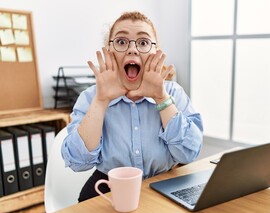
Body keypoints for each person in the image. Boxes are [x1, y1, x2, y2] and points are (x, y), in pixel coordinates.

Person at [61, 11, 203, 202]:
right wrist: (101, 100)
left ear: (155, 52)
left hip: (163, 183)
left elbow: (189, 153)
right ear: (109, 51)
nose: (133, 50)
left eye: (143, 43)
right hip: (107, 187)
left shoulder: (173, 93)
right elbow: (77, 162)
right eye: (121, 42)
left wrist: (161, 98)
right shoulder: (90, 97)